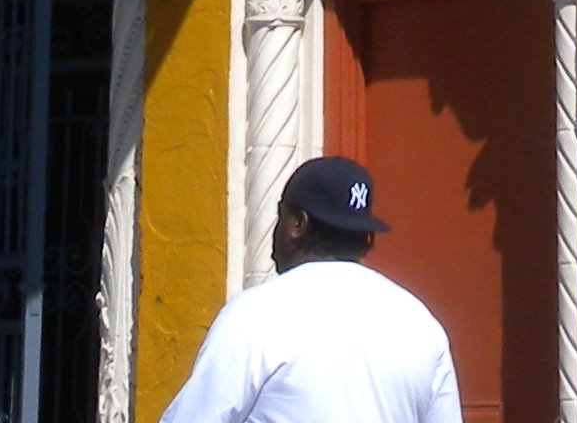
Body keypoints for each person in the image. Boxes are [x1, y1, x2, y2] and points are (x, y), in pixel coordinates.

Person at [159, 158, 462, 423]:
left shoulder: (255, 316)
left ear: (298, 224)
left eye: (281, 215)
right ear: (364, 237)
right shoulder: (420, 324)